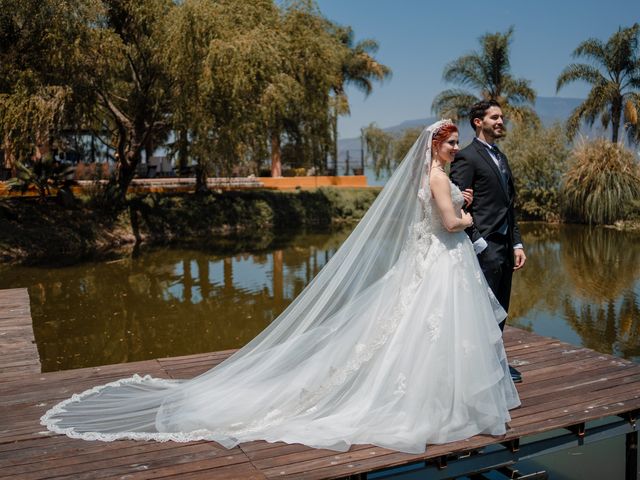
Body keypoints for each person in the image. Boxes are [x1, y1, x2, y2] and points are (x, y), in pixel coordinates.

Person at [41, 120, 520, 455]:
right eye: (450, 142)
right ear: (434, 147)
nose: (455, 149)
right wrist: (468, 214)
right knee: (426, 329)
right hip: (441, 259)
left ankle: (431, 393)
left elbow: (439, 211)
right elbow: (450, 222)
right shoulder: (439, 178)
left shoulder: (433, 175)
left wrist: (462, 204)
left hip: (435, 261)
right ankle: (433, 400)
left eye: (457, 143)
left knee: (418, 329)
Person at [450, 100, 527, 383]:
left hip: (506, 247)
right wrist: (477, 242)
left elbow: (510, 206)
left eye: (502, 117)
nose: (500, 121)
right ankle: (478, 368)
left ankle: (495, 362)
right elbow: (458, 205)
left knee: (500, 308)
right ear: (477, 122)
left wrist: (517, 244)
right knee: (481, 309)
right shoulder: (466, 157)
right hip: (483, 247)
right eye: (495, 117)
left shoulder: (501, 158)